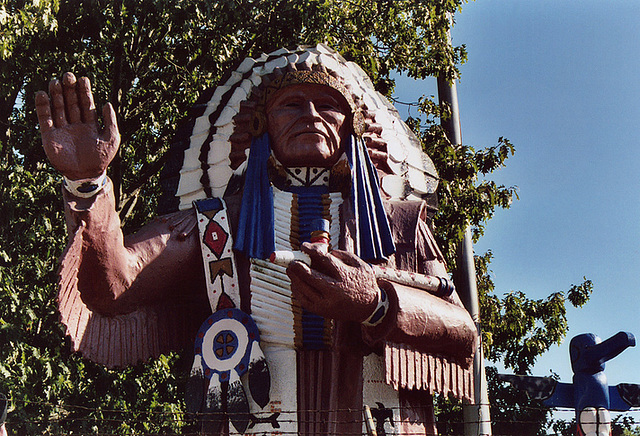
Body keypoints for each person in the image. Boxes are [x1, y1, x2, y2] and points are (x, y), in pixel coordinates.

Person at [36, 45, 477, 435]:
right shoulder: (215, 225)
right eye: (292, 106)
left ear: (354, 128)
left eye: (328, 105)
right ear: (260, 125)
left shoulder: (401, 224)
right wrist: (88, 183)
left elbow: (463, 333)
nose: (311, 116)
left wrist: (376, 303)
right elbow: (115, 286)